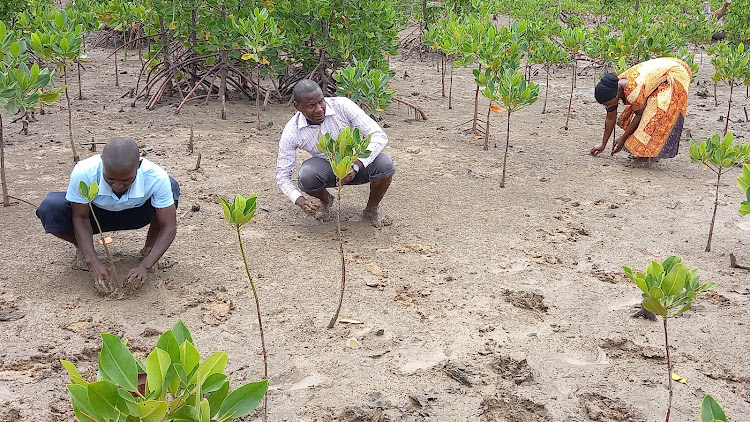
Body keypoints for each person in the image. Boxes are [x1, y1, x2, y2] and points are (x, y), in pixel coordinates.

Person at [36, 137, 179, 294]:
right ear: (102, 162)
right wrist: (92, 261)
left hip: (135, 214)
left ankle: (150, 250)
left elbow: (169, 226)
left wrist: (146, 265)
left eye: (126, 180)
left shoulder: (156, 177)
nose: (117, 185)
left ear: (138, 166)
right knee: (50, 208)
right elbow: (80, 218)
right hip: (94, 217)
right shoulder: (84, 171)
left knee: (171, 188)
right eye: (110, 178)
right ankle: (83, 251)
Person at [276, 79, 395, 226]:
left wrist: (356, 165)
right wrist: (300, 200)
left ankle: (372, 209)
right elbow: (282, 176)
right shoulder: (292, 131)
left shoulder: (342, 105)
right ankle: (326, 201)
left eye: (321, 102)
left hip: (355, 163)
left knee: (385, 165)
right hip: (326, 168)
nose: (319, 109)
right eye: (311, 106)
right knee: (307, 176)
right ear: (297, 106)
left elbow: (379, 135)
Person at [590, 57, 692, 164]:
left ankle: (644, 157)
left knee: (656, 113)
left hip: (676, 73)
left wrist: (623, 138)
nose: (607, 107)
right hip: (664, 71)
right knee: (644, 110)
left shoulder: (632, 90)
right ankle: (647, 153)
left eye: (607, 104)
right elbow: (610, 118)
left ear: (616, 96)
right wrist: (603, 144)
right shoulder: (615, 87)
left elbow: (640, 116)